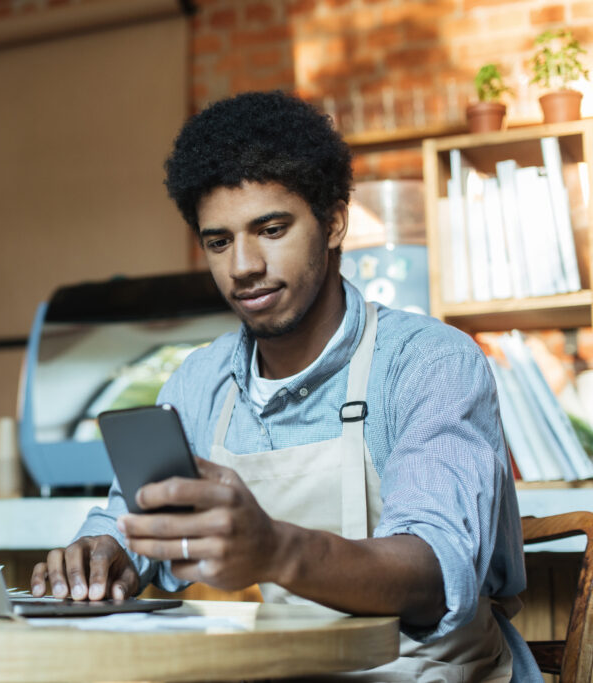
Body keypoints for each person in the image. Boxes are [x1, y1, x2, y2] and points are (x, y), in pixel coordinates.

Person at [29, 91, 539, 681]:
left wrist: (276, 549)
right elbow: (135, 523)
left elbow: (432, 574)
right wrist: (104, 556)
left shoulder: (428, 362)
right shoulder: (198, 381)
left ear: (334, 222)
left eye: (270, 229)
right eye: (218, 241)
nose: (242, 266)